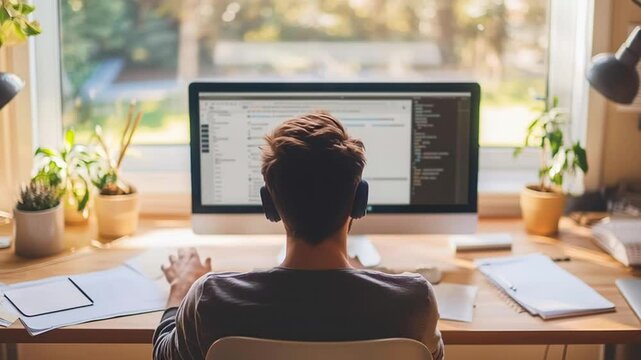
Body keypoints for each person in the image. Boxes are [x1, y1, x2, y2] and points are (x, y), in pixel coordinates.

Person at [153, 112, 444, 360]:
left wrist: (181, 289)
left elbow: (164, 354)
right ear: (359, 201)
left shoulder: (211, 300)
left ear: (269, 204)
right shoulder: (413, 302)